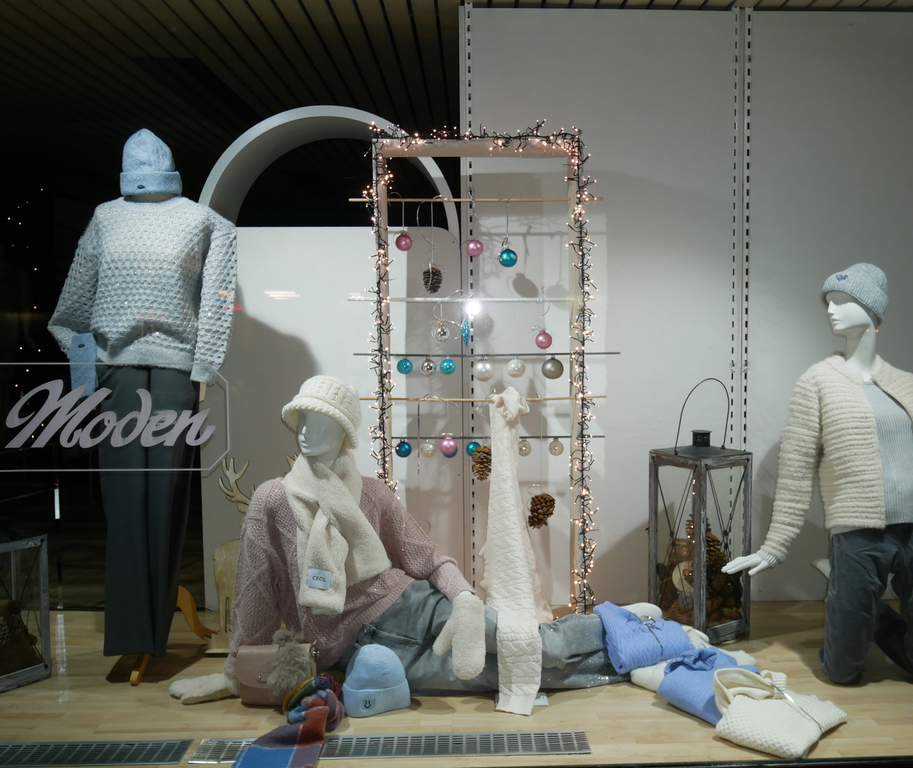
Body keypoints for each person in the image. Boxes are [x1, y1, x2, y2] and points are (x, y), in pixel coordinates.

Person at [170, 376, 629, 705]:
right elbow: (254, 588)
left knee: (537, 645)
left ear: (344, 431)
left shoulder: (371, 493)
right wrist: (235, 672)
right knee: (513, 674)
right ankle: (633, 657)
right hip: (365, 651)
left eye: (320, 420)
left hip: (414, 606)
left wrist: (464, 599)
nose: (306, 430)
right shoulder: (274, 499)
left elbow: (427, 558)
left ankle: (633, 626)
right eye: (301, 419)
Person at [723, 263, 913, 686]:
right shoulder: (818, 382)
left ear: (872, 309)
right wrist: (773, 548)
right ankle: (850, 597)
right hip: (858, 531)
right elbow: (796, 472)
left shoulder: (909, 385)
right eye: (828, 303)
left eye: (843, 301)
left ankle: (875, 616)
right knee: (842, 671)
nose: (831, 311)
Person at [48, 128, 237, 658]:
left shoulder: (208, 223)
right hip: (117, 374)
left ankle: (151, 634)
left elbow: (217, 305)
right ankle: (135, 634)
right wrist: (86, 379)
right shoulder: (106, 218)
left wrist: (202, 369)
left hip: (177, 375)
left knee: (166, 498)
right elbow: (71, 312)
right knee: (126, 501)